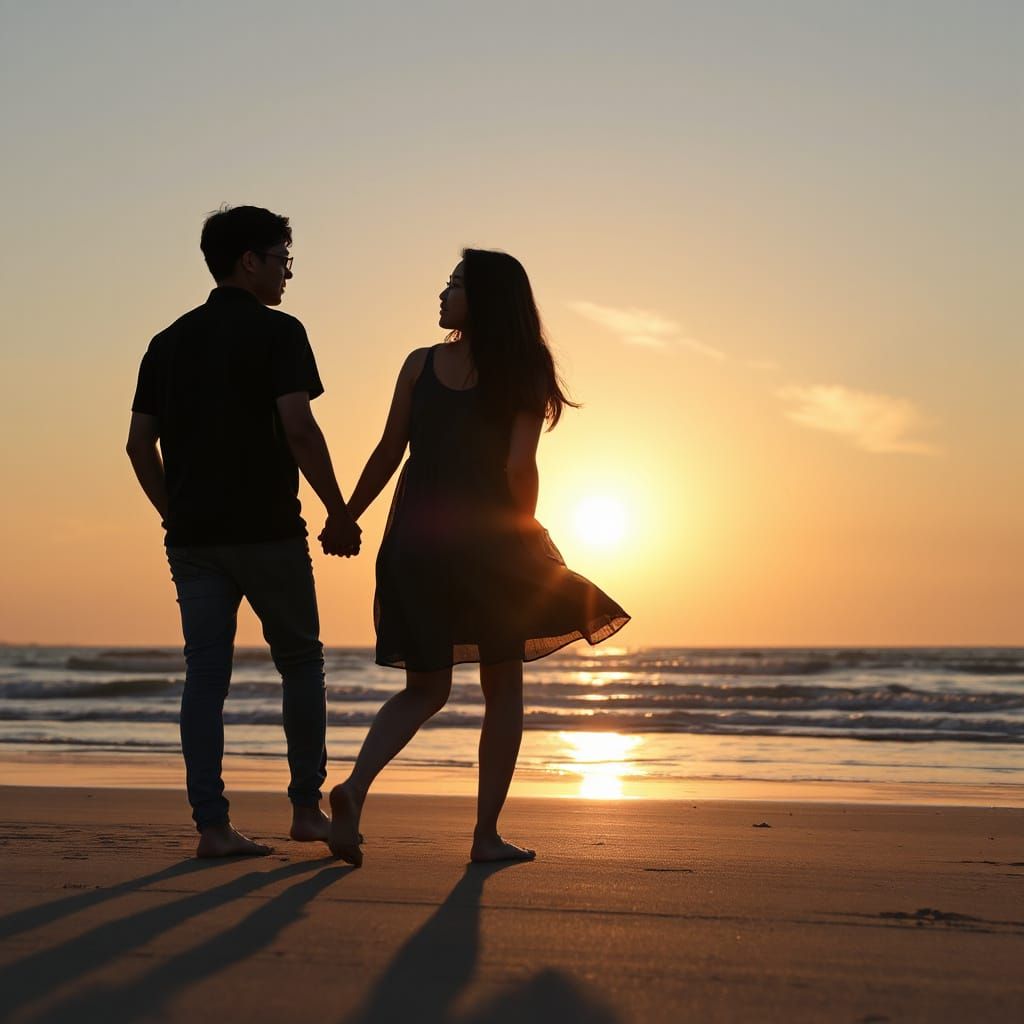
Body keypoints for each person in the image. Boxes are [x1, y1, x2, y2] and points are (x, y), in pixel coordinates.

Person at [327, 248, 629, 866]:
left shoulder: (419, 365)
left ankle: (355, 789)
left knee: (425, 689)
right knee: (503, 687)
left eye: (455, 284)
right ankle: (484, 836)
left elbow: (389, 452)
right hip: (488, 545)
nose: (442, 293)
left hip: (413, 540)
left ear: (483, 298)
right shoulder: (523, 368)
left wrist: (348, 514)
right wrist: (528, 531)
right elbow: (521, 465)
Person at [126, 205, 362, 858]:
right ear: (249, 261)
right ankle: (305, 810)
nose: (289, 271)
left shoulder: (166, 342)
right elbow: (299, 427)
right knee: (300, 663)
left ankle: (212, 827)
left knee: (206, 676)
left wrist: (171, 510)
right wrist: (338, 511)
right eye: (283, 257)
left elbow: (138, 444)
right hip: (267, 533)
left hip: (194, 540)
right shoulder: (279, 332)